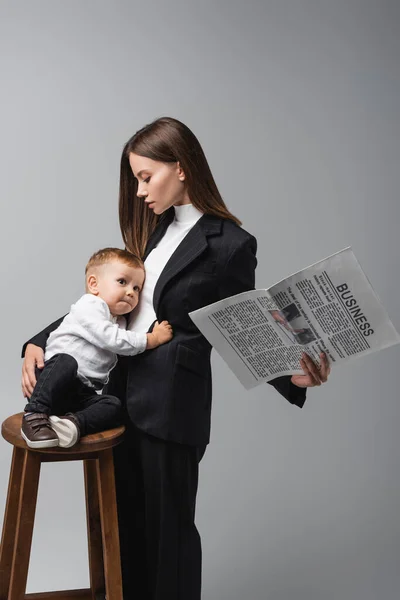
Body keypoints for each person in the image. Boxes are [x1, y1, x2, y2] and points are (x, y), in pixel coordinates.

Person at [21, 117, 330, 599]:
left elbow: (244, 326)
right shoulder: (152, 230)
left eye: (146, 177)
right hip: (114, 395)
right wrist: (39, 339)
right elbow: (112, 305)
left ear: (181, 168)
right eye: (135, 179)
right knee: (120, 532)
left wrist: (293, 376)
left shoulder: (230, 245)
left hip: (170, 405)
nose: (140, 191)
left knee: (170, 540)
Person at [21, 247, 173, 449]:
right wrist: (151, 339)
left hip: (79, 391)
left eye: (137, 288)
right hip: (52, 380)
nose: (131, 292)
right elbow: (111, 339)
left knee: (113, 405)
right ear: (94, 284)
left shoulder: (119, 321)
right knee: (66, 361)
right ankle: (33, 415)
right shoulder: (90, 305)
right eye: (122, 282)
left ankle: (71, 424)